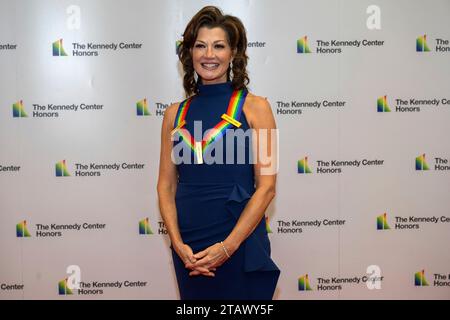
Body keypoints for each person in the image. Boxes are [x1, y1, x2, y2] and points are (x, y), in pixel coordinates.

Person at [157, 6, 280, 300]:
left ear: (233, 53)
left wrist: (227, 248)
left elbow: (267, 188)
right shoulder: (173, 114)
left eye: (218, 46)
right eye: (200, 45)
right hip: (189, 248)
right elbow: (165, 184)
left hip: (240, 240)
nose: (208, 54)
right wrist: (177, 244)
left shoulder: (258, 107)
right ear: (189, 53)